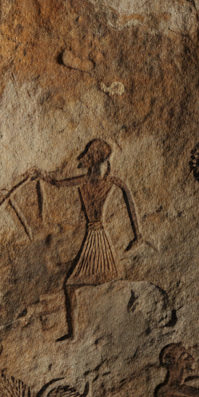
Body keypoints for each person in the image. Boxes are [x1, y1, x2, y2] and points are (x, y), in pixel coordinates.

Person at [30, 140, 144, 341]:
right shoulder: (91, 181)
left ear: (96, 160)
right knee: (74, 286)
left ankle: (82, 333)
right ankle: (76, 333)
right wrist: (42, 176)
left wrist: (138, 235)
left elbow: (130, 202)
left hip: (98, 240)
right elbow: (57, 183)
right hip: (93, 237)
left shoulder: (106, 182)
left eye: (89, 155)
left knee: (74, 286)